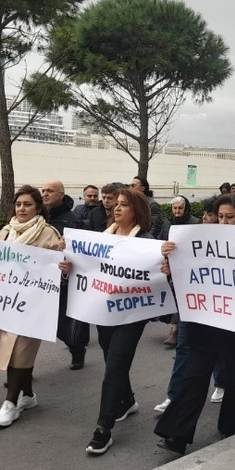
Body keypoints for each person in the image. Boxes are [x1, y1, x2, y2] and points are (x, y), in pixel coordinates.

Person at [155, 193, 235, 455]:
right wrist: (171, 263)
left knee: (234, 379)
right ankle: (177, 434)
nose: (224, 222)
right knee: (192, 377)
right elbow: (187, 275)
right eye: (220, 216)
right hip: (204, 321)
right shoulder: (201, 240)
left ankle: (231, 428)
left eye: (230, 217)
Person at [80, 187, 156, 455]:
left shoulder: (146, 241)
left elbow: (156, 276)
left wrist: (167, 262)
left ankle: (104, 428)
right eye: (117, 204)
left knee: (114, 366)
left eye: (124, 204)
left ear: (136, 210)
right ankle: (127, 401)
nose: (117, 208)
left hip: (131, 315)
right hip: (104, 311)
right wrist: (69, 265)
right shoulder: (101, 239)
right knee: (110, 357)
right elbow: (86, 268)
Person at [0, 185, 64, 427]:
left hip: (34, 305)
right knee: (10, 350)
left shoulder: (49, 234)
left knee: (21, 350)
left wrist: (63, 265)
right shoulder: (6, 232)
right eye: (19, 204)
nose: (22, 209)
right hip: (7, 303)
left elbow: (58, 269)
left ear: (38, 208)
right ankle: (28, 396)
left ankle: (10, 403)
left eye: (28, 204)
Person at [154, 196, 215, 414]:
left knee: (218, 350)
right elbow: (176, 265)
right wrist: (170, 267)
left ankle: (221, 382)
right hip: (191, 303)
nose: (208, 218)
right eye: (206, 215)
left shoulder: (232, 238)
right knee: (184, 348)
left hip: (220, 307)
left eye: (212, 215)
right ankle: (174, 396)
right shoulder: (189, 235)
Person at [41, 180, 88, 370]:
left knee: (62, 326)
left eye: (50, 191)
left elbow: (81, 252)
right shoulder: (35, 218)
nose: (45, 194)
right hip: (37, 281)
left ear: (61, 195)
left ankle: (76, 349)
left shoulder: (72, 220)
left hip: (62, 281)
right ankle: (21, 370)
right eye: (43, 190)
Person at [162, 196, 199, 347]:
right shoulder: (167, 224)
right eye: (175, 208)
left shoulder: (195, 223)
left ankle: (175, 329)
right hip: (171, 266)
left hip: (189, 267)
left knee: (181, 296)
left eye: (180, 208)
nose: (177, 211)